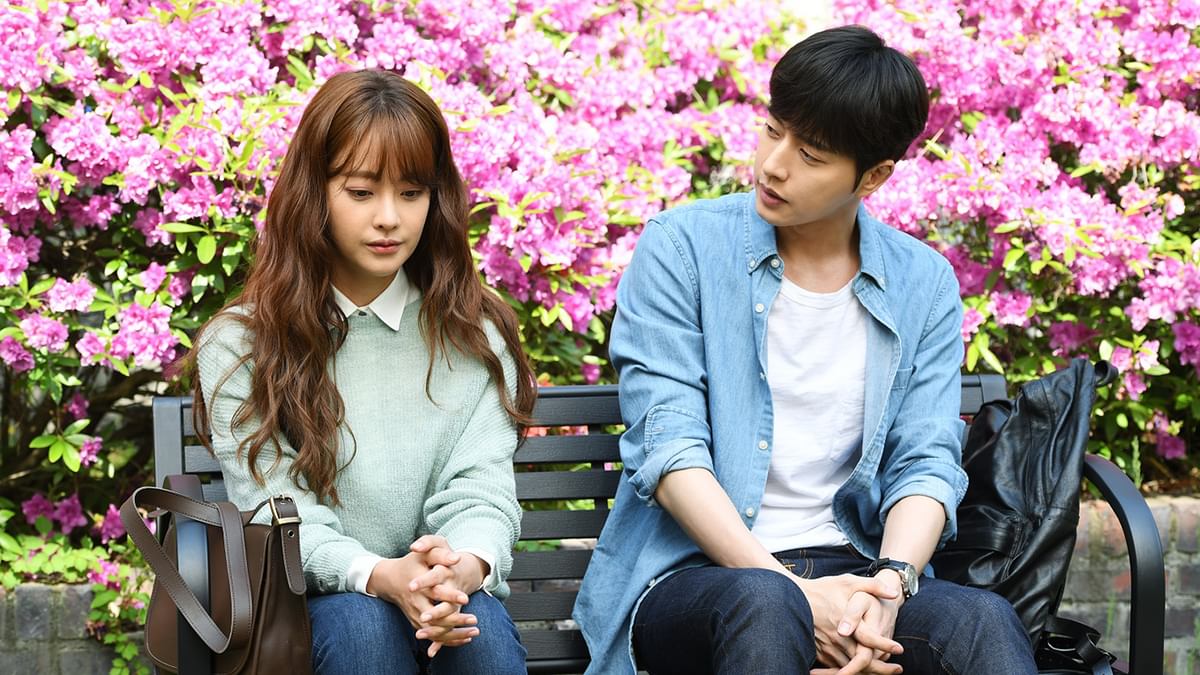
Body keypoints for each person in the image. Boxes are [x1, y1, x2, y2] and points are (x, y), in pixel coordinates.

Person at [574, 25, 1037, 675]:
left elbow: (925, 461)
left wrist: (889, 588)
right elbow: (669, 449)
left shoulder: (923, 282)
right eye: (773, 130)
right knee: (766, 605)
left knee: (982, 623)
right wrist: (795, 593)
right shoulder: (682, 248)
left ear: (874, 176)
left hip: (858, 571)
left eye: (811, 155)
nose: (774, 163)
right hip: (694, 575)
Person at [185, 69, 532, 675]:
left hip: (440, 592)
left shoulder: (475, 333)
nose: (389, 218)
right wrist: (378, 574)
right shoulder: (243, 343)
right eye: (362, 191)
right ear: (314, 192)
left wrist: (461, 568)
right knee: (363, 628)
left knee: (479, 634)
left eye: (412, 192)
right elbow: (276, 509)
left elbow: (482, 487)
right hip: (312, 606)